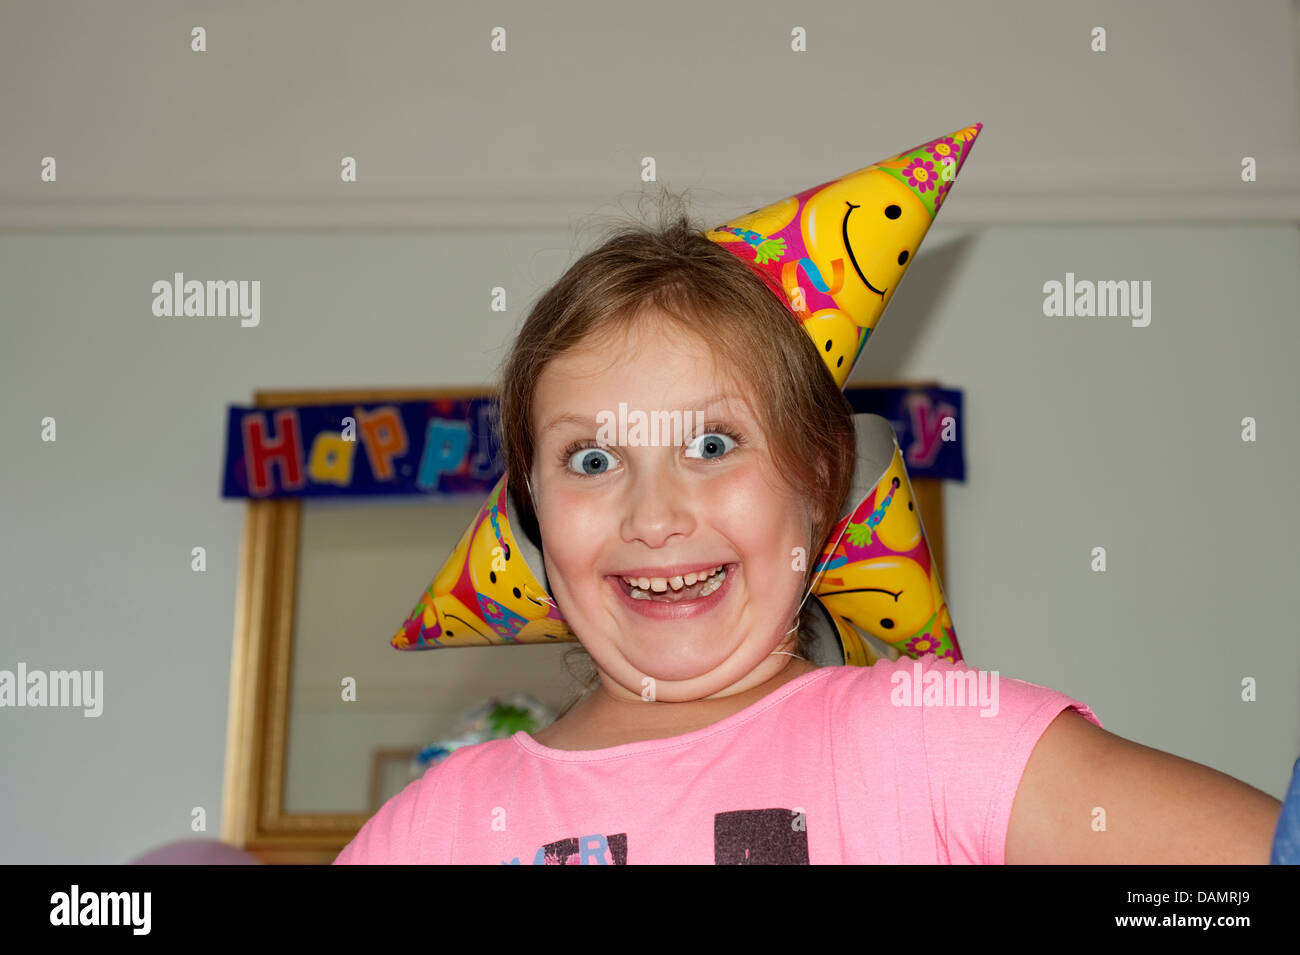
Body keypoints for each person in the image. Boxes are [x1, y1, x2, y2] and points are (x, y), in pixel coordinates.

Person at [335, 199, 1283, 864]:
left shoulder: (931, 743)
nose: (655, 515)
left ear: (819, 481)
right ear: (534, 509)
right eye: (592, 459)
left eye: (712, 442)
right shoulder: (435, 828)